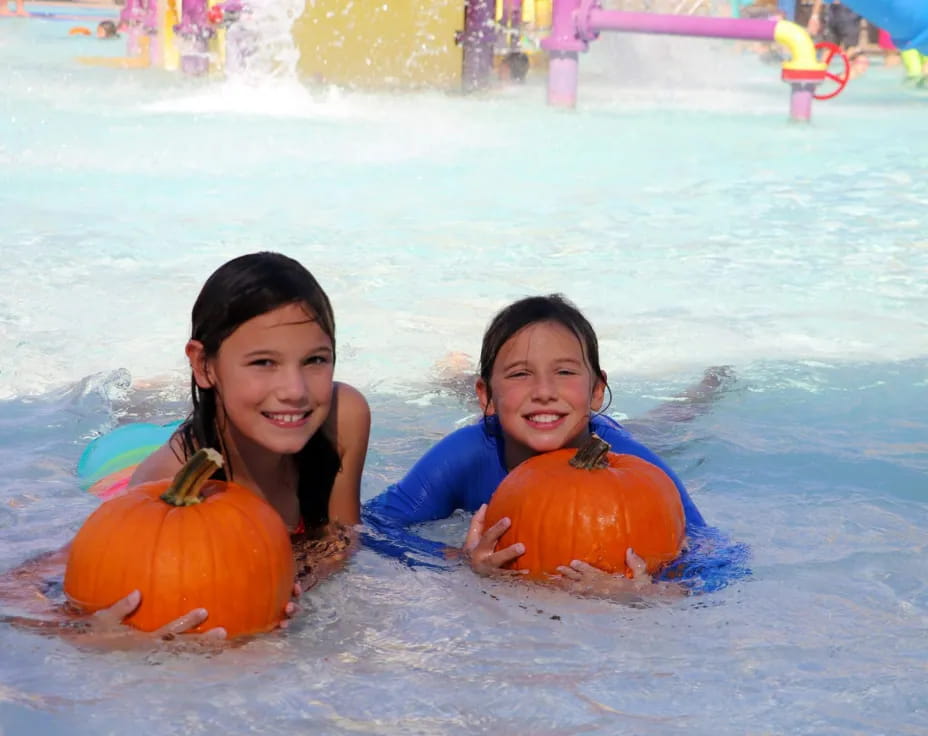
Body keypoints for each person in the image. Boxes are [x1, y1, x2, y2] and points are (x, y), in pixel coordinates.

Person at [1, 252, 371, 644]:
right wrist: (83, 632)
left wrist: (298, 575)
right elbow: (13, 592)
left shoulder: (342, 419)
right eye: (264, 362)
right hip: (124, 475)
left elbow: (341, 538)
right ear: (203, 365)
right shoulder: (166, 485)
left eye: (315, 360)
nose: (295, 391)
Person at [363, 294, 748, 600]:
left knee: (666, 424)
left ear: (597, 390)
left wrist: (650, 592)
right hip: (516, 416)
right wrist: (458, 561)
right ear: (487, 395)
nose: (545, 391)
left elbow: (719, 559)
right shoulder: (470, 453)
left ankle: (706, 388)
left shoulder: (631, 463)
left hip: (601, 437)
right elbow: (371, 525)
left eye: (565, 372)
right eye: (520, 373)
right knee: (526, 409)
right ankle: (456, 377)